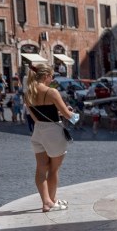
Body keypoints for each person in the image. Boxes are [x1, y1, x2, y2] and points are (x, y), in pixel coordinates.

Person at [24, 63, 75, 213]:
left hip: (38, 131)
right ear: (46, 76)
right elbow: (68, 115)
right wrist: (72, 113)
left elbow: (35, 117)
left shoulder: (28, 93)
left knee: (41, 169)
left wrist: (57, 114)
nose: (52, 79)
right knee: (53, 169)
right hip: (53, 133)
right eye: (51, 76)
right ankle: (52, 201)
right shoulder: (52, 92)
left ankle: (46, 202)